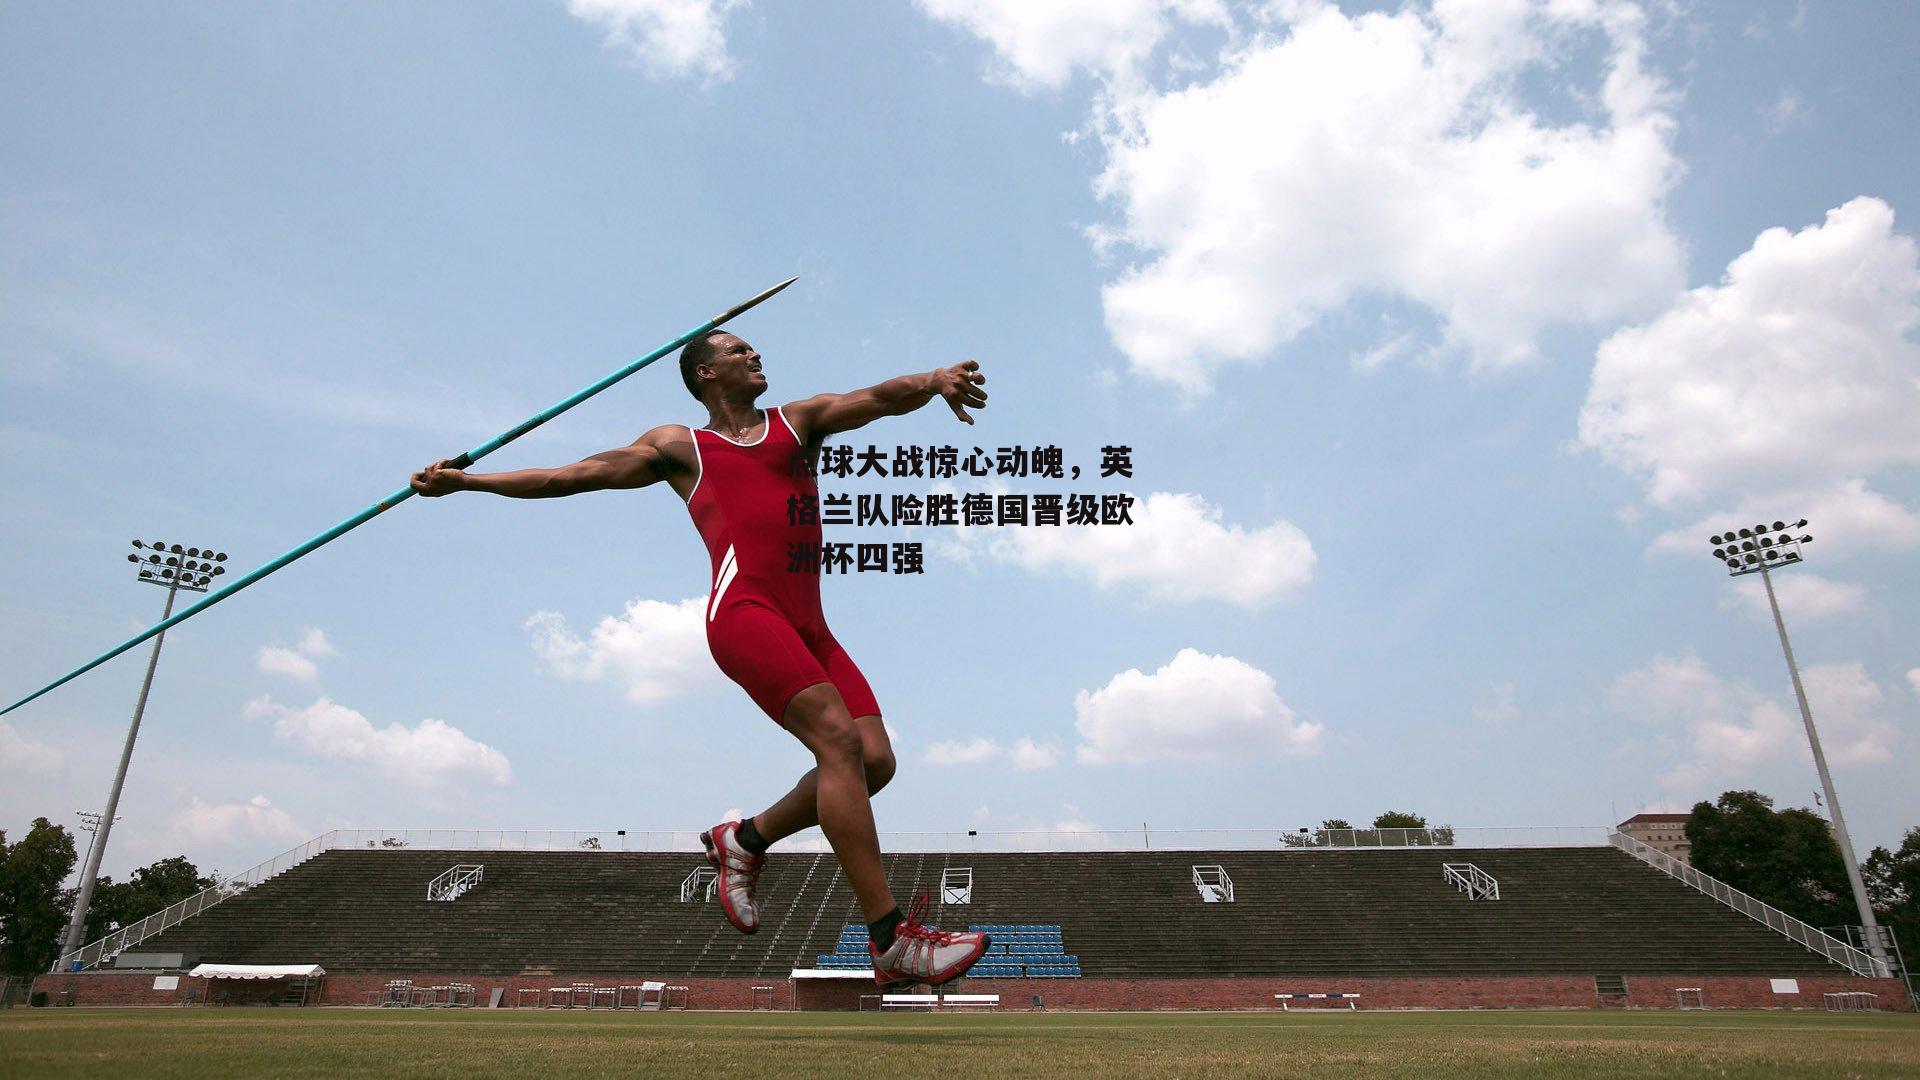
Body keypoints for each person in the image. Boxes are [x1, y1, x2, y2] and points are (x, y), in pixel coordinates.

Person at [410, 330, 991, 987]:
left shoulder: (796, 423)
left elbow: (877, 398)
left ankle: (743, 841)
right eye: (739, 350)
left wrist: (935, 378)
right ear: (706, 373)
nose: (756, 354)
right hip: (745, 613)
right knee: (837, 740)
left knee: (874, 761)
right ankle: (890, 938)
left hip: (812, 627)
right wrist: (467, 481)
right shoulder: (679, 447)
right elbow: (568, 477)